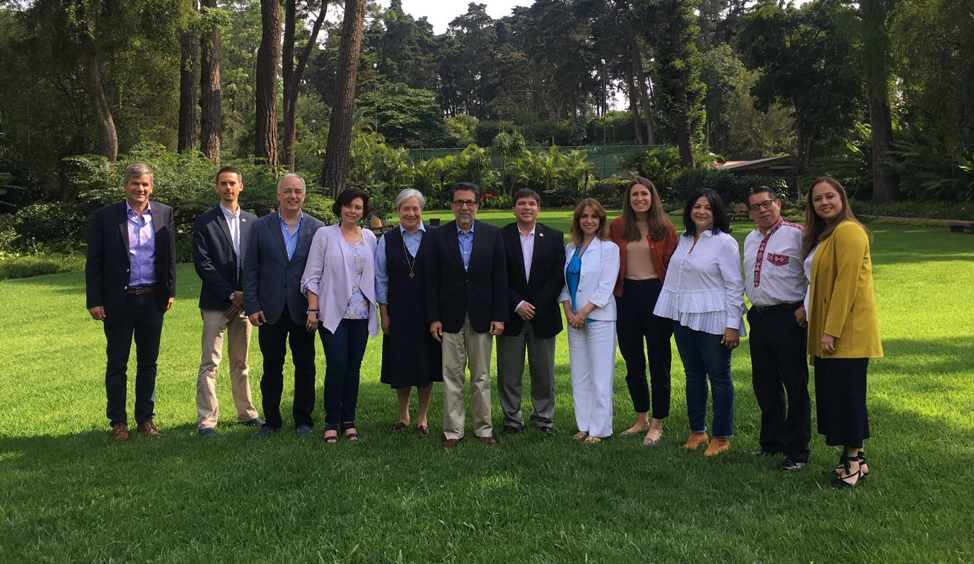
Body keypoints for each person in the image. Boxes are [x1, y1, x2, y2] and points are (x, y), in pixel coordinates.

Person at [85, 163, 176, 440]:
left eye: (145, 184)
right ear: (125, 186)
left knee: (148, 363)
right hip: (118, 301)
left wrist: (170, 291)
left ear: (152, 187)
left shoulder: (164, 213)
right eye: (135, 183)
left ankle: (145, 420)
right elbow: (94, 262)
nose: (140, 188)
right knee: (117, 363)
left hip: (152, 300)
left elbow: (170, 257)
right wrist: (95, 300)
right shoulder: (106, 216)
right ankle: (118, 423)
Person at [803, 177, 882, 489]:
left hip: (847, 334)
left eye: (829, 196)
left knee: (847, 398)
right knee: (841, 396)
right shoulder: (828, 234)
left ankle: (853, 463)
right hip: (834, 333)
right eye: (817, 199)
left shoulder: (848, 231)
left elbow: (845, 285)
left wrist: (830, 332)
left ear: (842, 198)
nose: (824, 202)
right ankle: (855, 458)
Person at [654, 188, 746, 456]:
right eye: (697, 206)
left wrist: (732, 324)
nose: (702, 211)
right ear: (689, 210)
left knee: (719, 376)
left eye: (708, 207)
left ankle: (722, 437)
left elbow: (734, 285)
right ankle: (697, 431)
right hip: (683, 316)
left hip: (714, 318)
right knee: (693, 375)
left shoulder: (724, 242)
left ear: (716, 212)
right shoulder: (684, 238)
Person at [427, 182, 508, 449]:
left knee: (481, 375)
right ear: (452, 206)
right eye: (459, 202)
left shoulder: (492, 235)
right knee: (452, 375)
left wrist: (499, 315)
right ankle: (453, 432)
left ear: (477, 205)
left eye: (470, 202)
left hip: (482, 315)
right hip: (449, 315)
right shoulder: (438, 236)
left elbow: (500, 278)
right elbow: (432, 280)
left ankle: (484, 429)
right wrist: (434, 317)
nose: (465, 207)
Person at [243, 173, 325, 439]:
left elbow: (322, 271)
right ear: (278, 195)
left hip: (304, 310)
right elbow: (250, 268)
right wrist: (252, 305)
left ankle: (303, 420)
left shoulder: (317, 228)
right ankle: (272, 421)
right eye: (287, 191)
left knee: (305, 366)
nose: (293, 196)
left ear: (304, 196)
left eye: (298, 191)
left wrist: (315, 307)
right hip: (270, 310)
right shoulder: (260, 226)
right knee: (271, 367)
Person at [302, 189, 379, 443]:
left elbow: (375, 274)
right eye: (348, 206)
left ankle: (349, 421)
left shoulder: (369, 237)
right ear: (340, 208)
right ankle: (331, 421)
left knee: (353, 368)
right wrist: (313, 309)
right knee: (337, 365)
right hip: (332, 312)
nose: (352, 211)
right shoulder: (325, 235)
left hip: (361, 313)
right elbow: (312, 276)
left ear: (363, 211)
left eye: (358, 207)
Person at [192, 166, 263, 439]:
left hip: (245, 304)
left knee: (241, 362)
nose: (228, 188)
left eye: (232, 183)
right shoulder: (205, 222)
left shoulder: (253, 222)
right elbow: (203, 264)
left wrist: (244, 295)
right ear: (217, 188)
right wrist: (231, 294)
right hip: (216, 303)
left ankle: (247, 413)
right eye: (223, 183)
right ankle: (207, 421)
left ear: (240, 187)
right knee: (210, 363)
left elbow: (257, 263)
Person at [743, 186, 811, 469]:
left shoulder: (798, 235)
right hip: (759, 318)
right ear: (749, 212)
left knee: (795, 386)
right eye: (755, 206)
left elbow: (815, 274)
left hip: (789, 318)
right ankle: (771, 443)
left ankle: (797, 452)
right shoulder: (750, 239)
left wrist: (806, 307)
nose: (762, 210)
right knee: (765, 384)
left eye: (767, 203)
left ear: (778, 204)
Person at [610, 177, 678, 446]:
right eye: (634, 195)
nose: (639, 199)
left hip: (656, 295)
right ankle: (641, 419)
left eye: (644, 194)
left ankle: (658, 423)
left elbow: (674, 267)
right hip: (625, 296)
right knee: (633, 361)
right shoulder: (617, 226)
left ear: (652, 198)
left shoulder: (665, 227)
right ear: (628, 199)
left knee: (659, 361)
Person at [496, 189, 565, 437]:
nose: (527, 207)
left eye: (532, 204)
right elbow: (497, 275)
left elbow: (558, 275)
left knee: (544, 373)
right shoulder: (500, 236)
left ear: (539, 209)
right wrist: (517, 304)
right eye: (522, 203)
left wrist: (535, 305)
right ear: (513, 209)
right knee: (509, 374)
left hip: (542, 315)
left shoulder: (554, 237)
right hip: (511, 315)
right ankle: (512, 420)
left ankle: (543, 419)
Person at [375, 189, 442, 436]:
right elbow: (380, 278)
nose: (411, 213)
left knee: (426, 362)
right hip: (398, 310)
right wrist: (384, 313)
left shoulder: (435, 237)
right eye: (406, 209)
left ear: (422, 210)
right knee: (400, 362)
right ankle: (404, 415)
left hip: (428, 310)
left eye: (415, 208)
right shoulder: (387, 240)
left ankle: (422, 418)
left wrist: (438, 315)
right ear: (398, 211)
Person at [559, 198, 620, 444]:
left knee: (600, 376)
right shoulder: (570, 248)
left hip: (599, 318)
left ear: (601, 220)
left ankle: (600, 429)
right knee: (579, 375)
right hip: (574, 320)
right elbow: (563, 283)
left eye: (594, 216)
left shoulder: (609, 248)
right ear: (578, 220)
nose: (589, 220)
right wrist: (569, 312)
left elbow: (606, 286)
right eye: (584, 216)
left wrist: (583, 314)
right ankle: (583, 425)